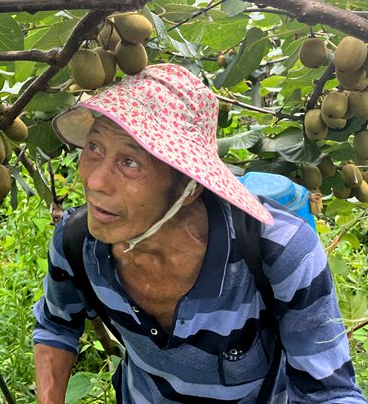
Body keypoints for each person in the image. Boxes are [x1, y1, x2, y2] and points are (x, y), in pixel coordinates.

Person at [33, 63, 365, 403]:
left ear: (188, 187)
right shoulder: (78, 243)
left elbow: (330, 392)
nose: (95, 182)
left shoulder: (279, 250)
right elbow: (56, 326)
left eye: (129, 162)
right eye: (94, 149)